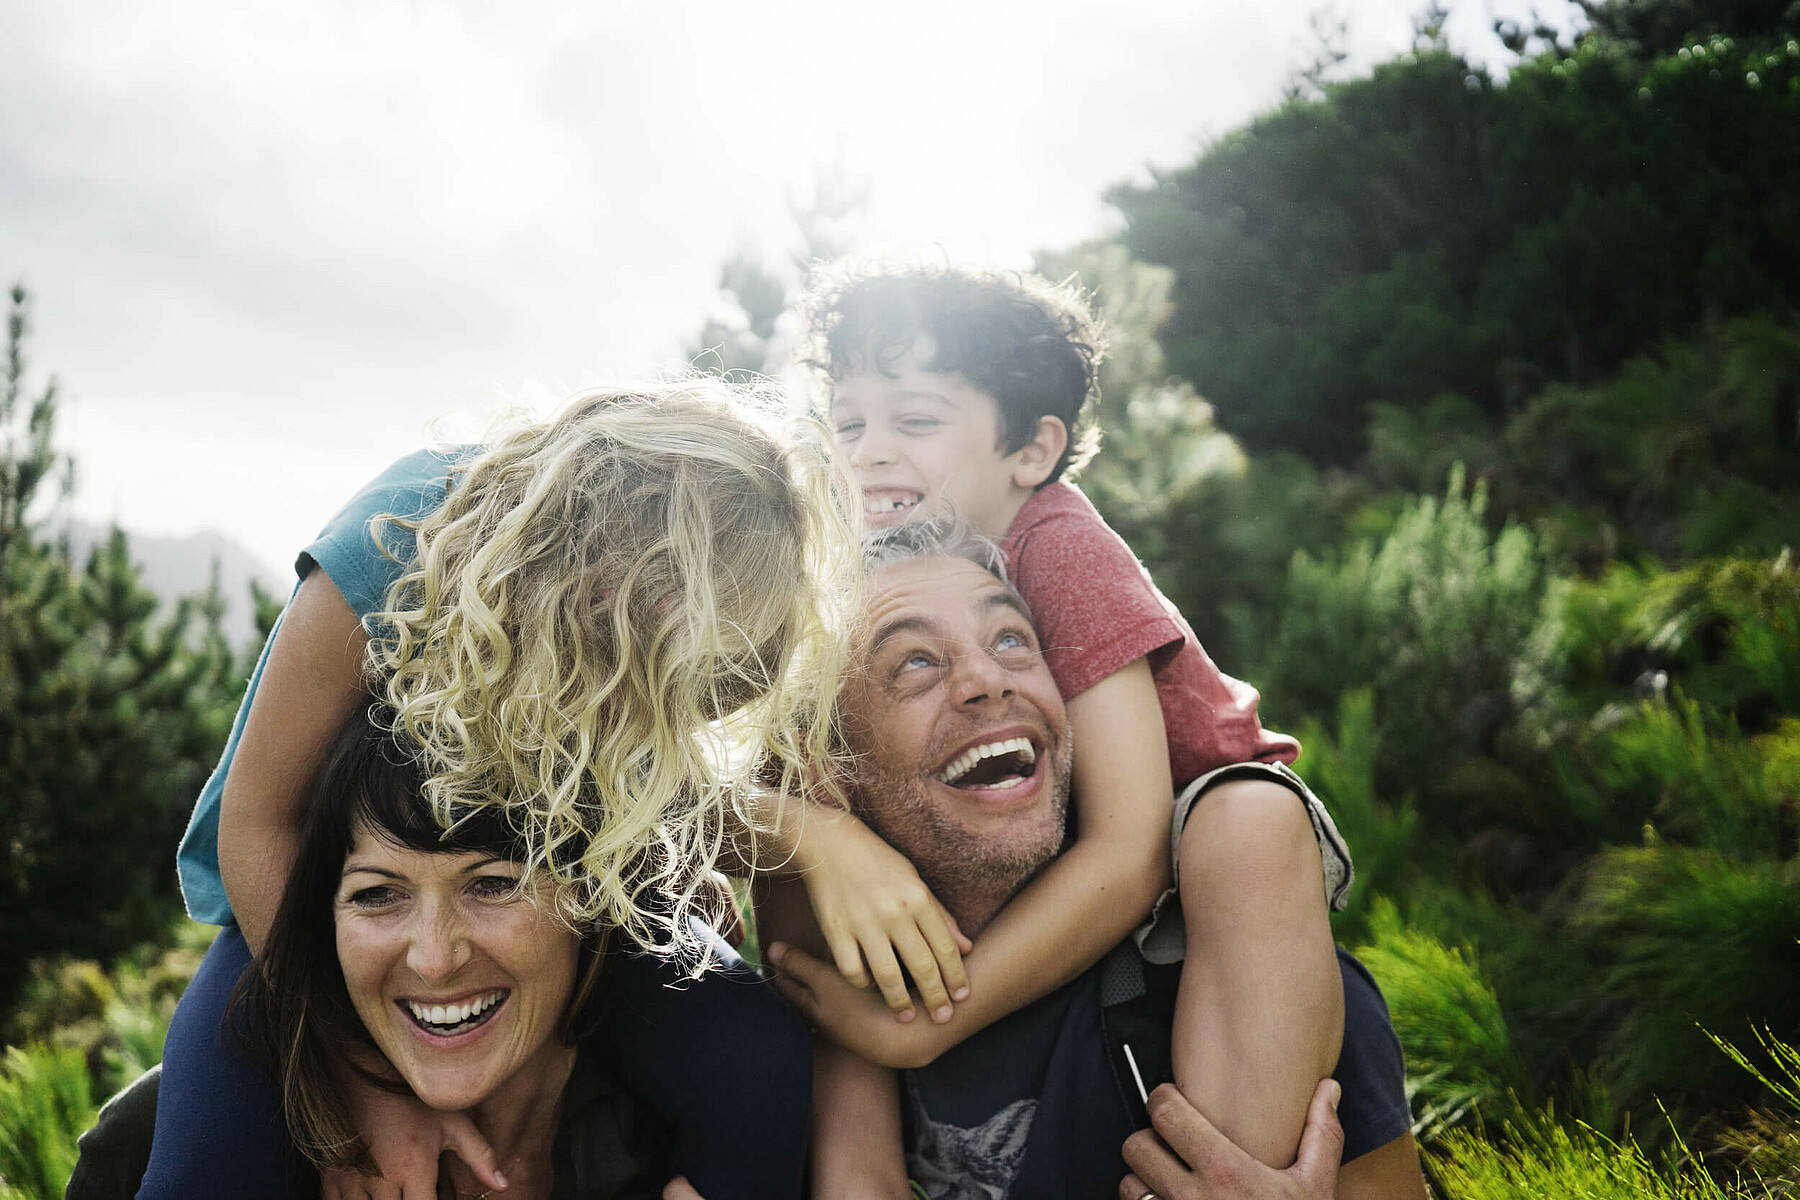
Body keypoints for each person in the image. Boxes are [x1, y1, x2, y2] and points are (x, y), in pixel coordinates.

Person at [138, 379, 855, 1200]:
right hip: (315, 916)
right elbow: (260, 828)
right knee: (202, 1174)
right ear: (594, 544)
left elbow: (639, 775)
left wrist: (666, 869)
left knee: (753, 1055)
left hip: (547, 901)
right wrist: (366, 1088)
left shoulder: (689, 626)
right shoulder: (395, 538)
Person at [777, 263, 1352, 1181]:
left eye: (915, 421)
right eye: (849, 424)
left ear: (1032, 450)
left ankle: (1229, 1169)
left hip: (1203, 836)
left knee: (1245, 832)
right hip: (1090, 848)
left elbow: (1128, 852)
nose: (868, 454)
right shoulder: (862, 580)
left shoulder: (1060, 549)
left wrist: (929, 1028)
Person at [765, 523, 1425, 1199]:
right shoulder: (838, 1012)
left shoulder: (1253, 978)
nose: (986, 680)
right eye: (915, 662)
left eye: (1012, 641)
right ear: (832, 763)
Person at [239, 704, 715, 1197]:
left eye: (492, 885)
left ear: (591, 897)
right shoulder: (221, 1155)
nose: (434, 961)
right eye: (377, 894)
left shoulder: (702, 1142)